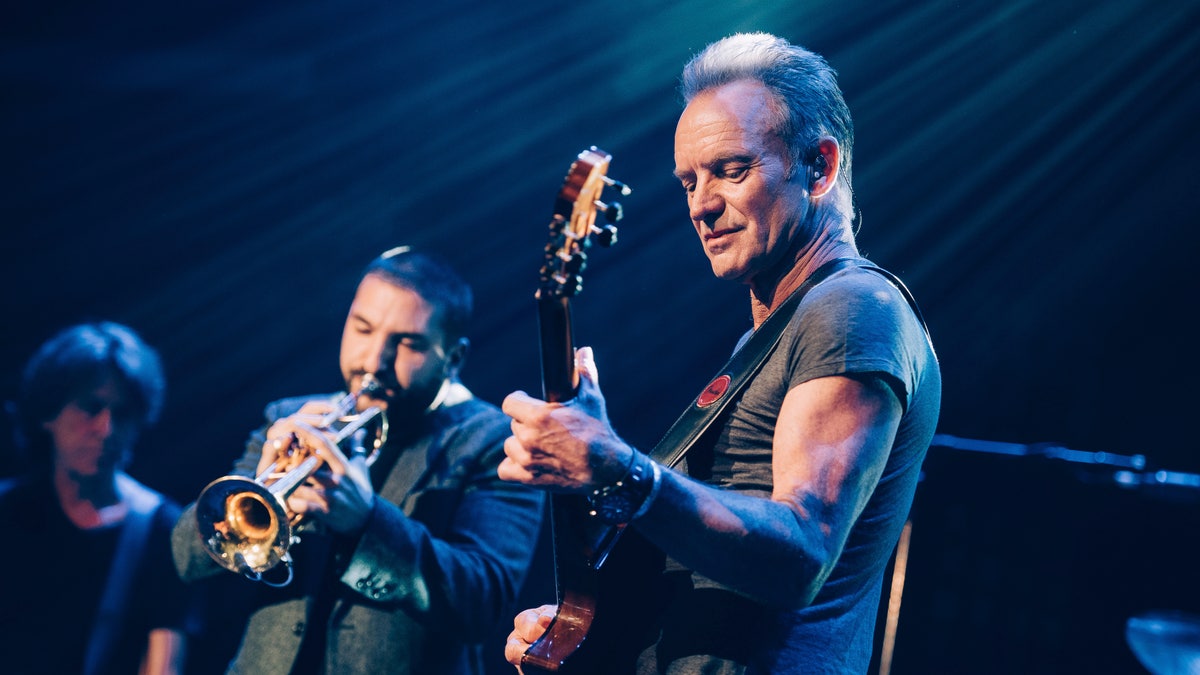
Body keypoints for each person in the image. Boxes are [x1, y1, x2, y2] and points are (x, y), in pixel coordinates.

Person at [500, 32, 941, 674]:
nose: (703, 205)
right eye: (689, 182)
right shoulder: (771, 337)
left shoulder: (851, 309)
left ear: (819, 166)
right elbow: (708, 565)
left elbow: (802, 552)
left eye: (732, 170)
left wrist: (621, 467)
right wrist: (596, 622)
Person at [171, 246, 546, 674]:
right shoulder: (288, 419)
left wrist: (365, 522)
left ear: (454, 358)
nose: (373, 362)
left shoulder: (495, 442)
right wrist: (263, 482)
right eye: (363, 329)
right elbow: (184, 556)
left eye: (407, 343)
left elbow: (485, 605)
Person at [0, 321, 197, 675]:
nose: (106, 430)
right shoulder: (7, 511)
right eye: (91, 408)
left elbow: (163, 665)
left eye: (122, 415)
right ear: (48, 412)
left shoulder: (163, 529)